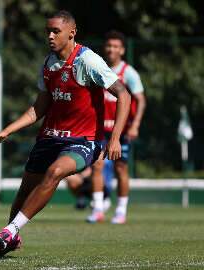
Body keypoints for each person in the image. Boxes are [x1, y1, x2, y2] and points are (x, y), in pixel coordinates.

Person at [0, 10, 131, 259]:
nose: (50, 36)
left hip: (84, 140)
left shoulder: (88, 61)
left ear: (72, 33)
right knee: (24, 191)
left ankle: (10, 230)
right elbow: (39, 108)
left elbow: (123, 94)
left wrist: (115, 137)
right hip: (50, 137)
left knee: (55, 172)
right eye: (47, 31)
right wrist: (5, 132)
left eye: (56, 31)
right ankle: (8, 240)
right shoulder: (49, 62)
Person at [86, 30, 146, 224]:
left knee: (121, 169)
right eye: (109, 46)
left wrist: (135, 124)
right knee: (96, 166)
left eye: (116, 46)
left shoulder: (128, 72)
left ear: (122, 50)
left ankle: (121, 210)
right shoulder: (98, 68)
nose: (111, 49)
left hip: (121, 130)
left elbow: (141, 100)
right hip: (99, 129)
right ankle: (97, 209)